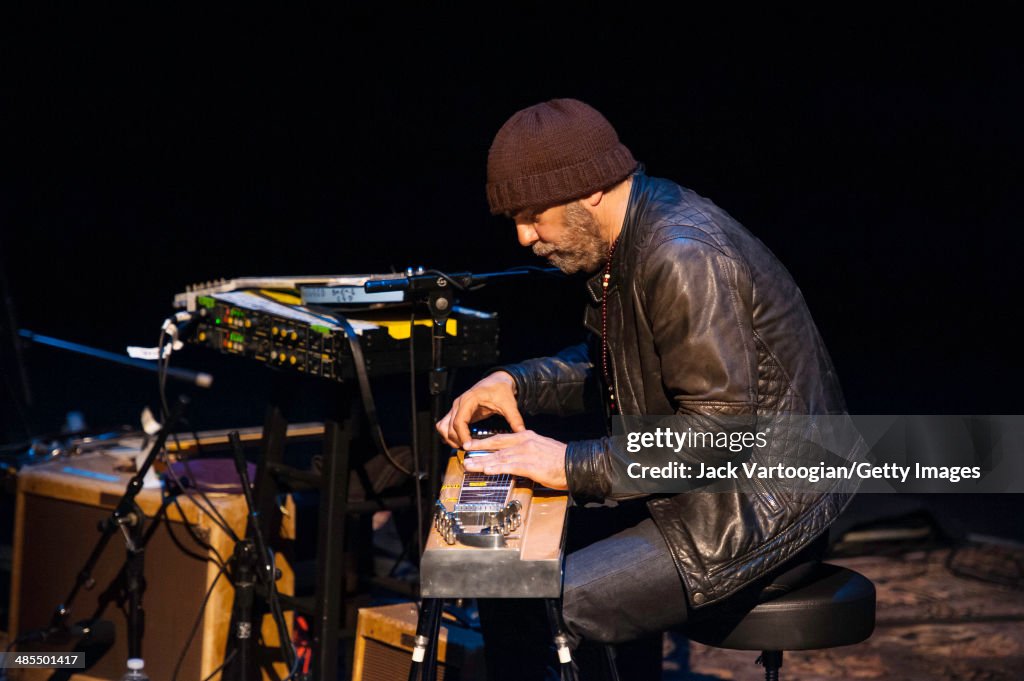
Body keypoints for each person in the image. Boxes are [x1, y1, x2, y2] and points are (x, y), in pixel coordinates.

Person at [436, 98, 858, 679]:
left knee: (550, 607)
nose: (523, 236)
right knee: (503, 569)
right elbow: (611, 363)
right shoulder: (624, 241)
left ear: (589, 190)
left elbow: (721, 432)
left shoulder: (681, 255)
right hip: (700, 491)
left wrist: (570, 464)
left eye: (533, 215)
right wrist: (515, 381)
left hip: (759, 509)